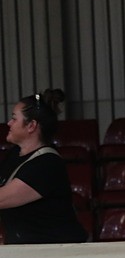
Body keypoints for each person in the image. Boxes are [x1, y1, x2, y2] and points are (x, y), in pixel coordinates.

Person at [0, 90, 89, 244]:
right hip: (28, 249)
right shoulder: (14, 154)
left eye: (14, 119)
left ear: (31, 126)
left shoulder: (47, 164)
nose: (9, 123)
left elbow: (2, 199)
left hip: (56, 251)